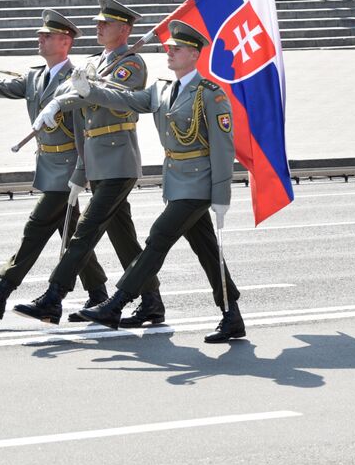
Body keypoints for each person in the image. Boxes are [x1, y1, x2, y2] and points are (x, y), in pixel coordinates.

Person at [69, 21, 245, 343]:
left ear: (193, 55)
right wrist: (89, 90)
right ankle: (231, 315)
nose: (170, 51)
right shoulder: (162, 88)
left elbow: (223, 147)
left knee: (158, 237)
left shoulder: (210, 94)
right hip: (176, 183)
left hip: (199, 184)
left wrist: (222, 195)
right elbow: (127, 100)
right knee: (206, 249)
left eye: (177, 49)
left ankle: (117, 303)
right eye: (169, 47)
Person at [0, 12, 110, 319]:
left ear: (66, 41)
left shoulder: (78, 79)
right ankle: (99, 293)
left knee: (35, 228)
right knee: (71, 234)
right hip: (48, 165)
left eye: (48, 36)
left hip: (68, 169)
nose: (41, 39)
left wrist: (82, 172)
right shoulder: (37, 76)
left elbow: (84, 131)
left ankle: (2, 292)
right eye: (41, 35)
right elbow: (1, 87)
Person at [16, 0, 161, 327]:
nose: (98, 27)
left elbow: (119, 99)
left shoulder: (132, 64)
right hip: (97, 159)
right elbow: (80, 111)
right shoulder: (96, 62)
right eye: (97, 23)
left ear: (124, 30)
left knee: (84, 232)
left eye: (105, 24)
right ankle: (152, 302)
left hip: (119, 158)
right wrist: (62, 101)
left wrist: (87, 88)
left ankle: (53, 297)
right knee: (124, 239)